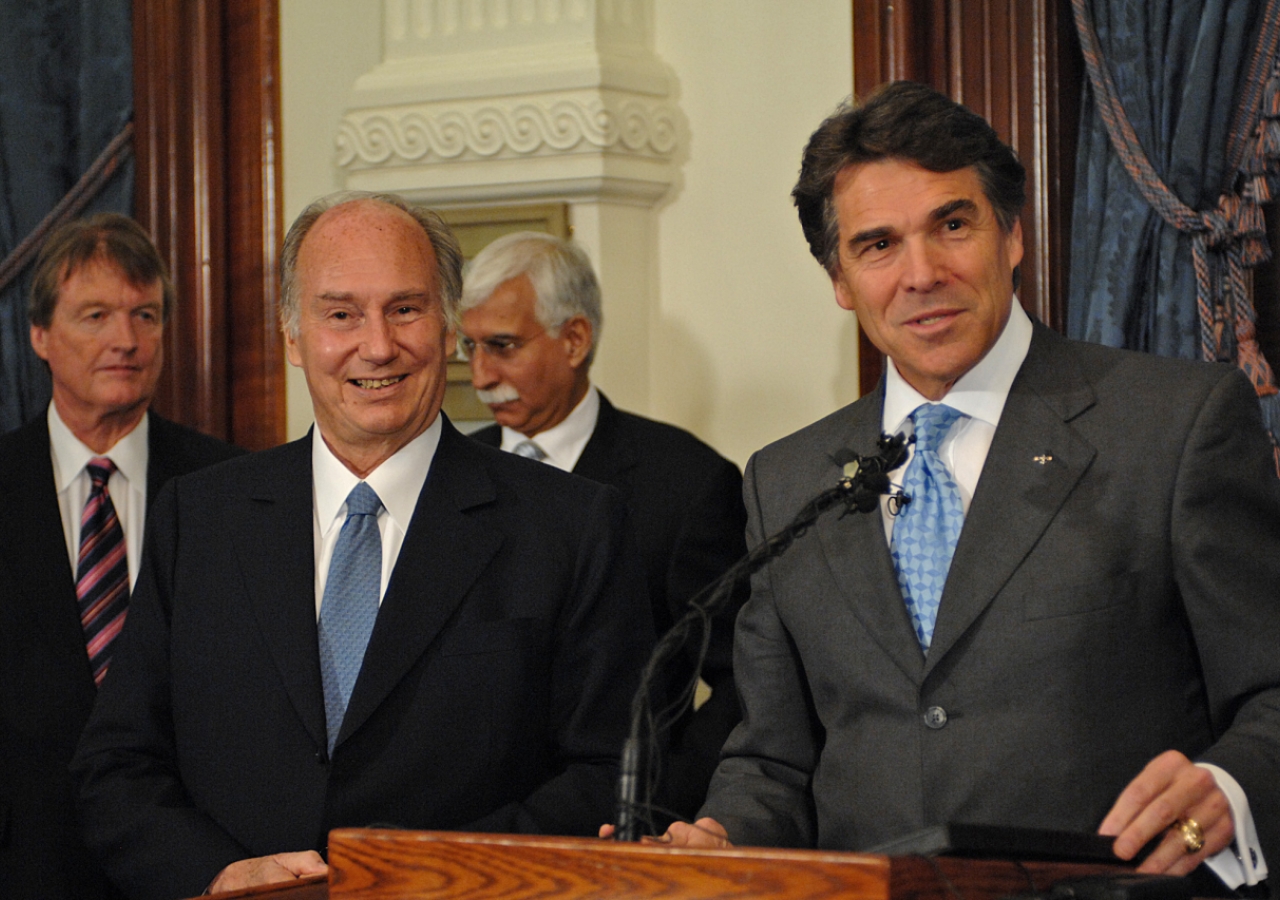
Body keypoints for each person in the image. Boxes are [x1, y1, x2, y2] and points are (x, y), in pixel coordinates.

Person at [656, 81, 1280, 894]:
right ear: (839, 278)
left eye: (952, 225)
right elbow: (773, 758)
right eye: (877, 245)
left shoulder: (1174, 425)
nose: (922, 273)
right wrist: (724, 841)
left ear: (1012, 235)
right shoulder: (786, 479)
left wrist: (1229, 788)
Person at [72, 192, 654, 900]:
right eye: (340, 313)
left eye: (405, 309)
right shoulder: (199, 517)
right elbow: (119, 762)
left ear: (447, 329)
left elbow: (609, 776)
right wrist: (215, 874)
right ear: (292, 336)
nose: (377, 345)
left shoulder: (572, 526)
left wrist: (426, 883)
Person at [460, 231, 747, 821]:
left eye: (503, 346)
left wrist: (656, 804)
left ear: (574, 340)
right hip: (464, 827)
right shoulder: (454, 474)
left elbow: (743, 682)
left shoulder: (687, 484)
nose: (481, 375)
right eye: (469, 348)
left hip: (612, 825)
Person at [0, 213, 241, 900]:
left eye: (145, 314)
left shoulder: (231, 490)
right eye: (96, 315)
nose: (125, 340)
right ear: (39, 335)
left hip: (189, 867)